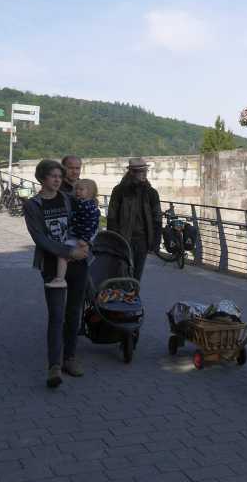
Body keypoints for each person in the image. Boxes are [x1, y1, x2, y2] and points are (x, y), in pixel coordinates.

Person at [23, 159, 90, 388]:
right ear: (42, 178)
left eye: (59, 176)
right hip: (52, 266)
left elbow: (82, 222)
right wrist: (68, 250)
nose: (58, 180)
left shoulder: (68, 199)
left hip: (78, 264)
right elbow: (40, 238)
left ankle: (70, 358)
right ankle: (54, 366)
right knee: (57, 315)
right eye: (53, 176)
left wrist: (85, 244)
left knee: (74, 314)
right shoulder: (33, 205)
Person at [106, 157, 161, 282]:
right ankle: (125, 297)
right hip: (123, 239)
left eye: (145, 171)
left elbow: (157, 218)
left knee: (137, 274)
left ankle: (133, 297)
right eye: (141, 171)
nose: (144, 174)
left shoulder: (151, 192)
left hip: (143, 240)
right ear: (131, 172)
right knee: (123, 273)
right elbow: (112, 217)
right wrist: (113, 241)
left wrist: (155, 242)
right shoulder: (119, 191)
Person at [47, 179, 100, 288]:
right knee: (68, 255)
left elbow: (91, 224)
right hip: (77, 236)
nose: (77, 191)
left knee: (62, 254)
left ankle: (60, 279)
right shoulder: (83, 204)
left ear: (90, 192)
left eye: (81, 189)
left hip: (80, 238)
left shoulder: (88, 207)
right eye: (76, 189)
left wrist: (85, 239)